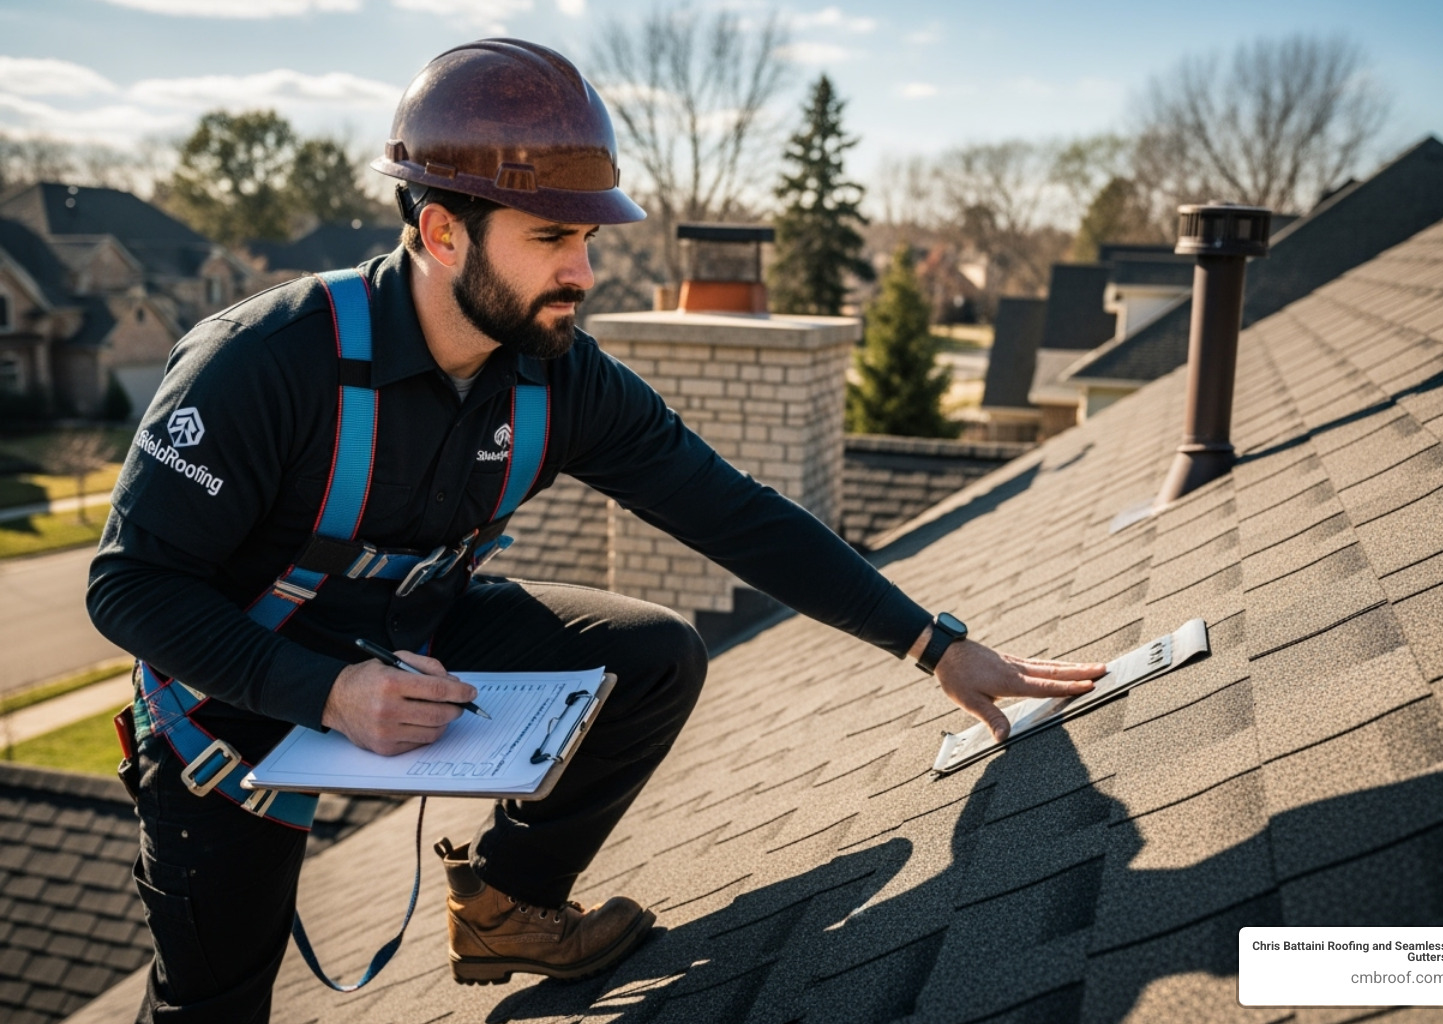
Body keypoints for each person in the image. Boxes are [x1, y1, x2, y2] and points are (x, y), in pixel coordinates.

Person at [86, 39, 1104, 1024]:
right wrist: (328, 693)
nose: (585, 271)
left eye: (588, 239)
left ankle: (509, 908)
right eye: (550, 239)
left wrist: (934, 643)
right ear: (443, 233)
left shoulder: (558, 373)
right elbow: (129, 588)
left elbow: (732, 509)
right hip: (232, 688)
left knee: (650, 655)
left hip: (410, 628)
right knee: (214, 1001)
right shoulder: (263, 365)